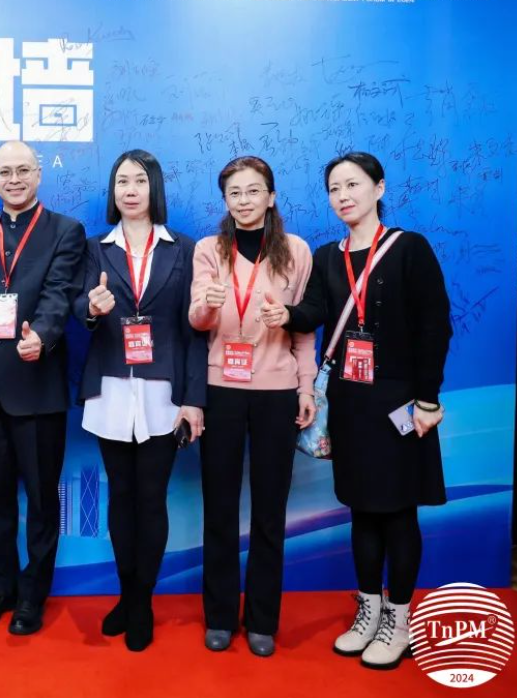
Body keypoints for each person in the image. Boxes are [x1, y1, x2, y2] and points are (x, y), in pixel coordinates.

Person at [260, 151, 451, 670]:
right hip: (349, 403)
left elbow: (435, 326)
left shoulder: (409, 248)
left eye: (353, 185)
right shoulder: (329, 256)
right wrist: (285, 314)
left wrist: (428, 400)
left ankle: (399, 620)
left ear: (378, 188)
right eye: (334, 189)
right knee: (362, 510)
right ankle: (368, 610)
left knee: (398, 512)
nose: (343, 196)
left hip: (400, 405)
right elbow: (315, 312)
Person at [74, 149, 206, 651]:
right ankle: (127, 596)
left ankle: (142, 602)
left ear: (155, 188)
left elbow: (195, 331)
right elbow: (78, 304)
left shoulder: (184, 249)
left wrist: (194, 400)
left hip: (162, 394)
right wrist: (91, 307)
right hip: (110, 389)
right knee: (120, 497)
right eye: (122, 181)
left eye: (139, 180)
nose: (130, 190)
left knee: (151, 499)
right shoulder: (94, 248)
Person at [188, 156, 316, 657]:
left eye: (253, 190)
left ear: (271, 196)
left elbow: (304, 328)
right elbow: (197, 323)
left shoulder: (296, 251)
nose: (243, 201)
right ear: (225, 200)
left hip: (277, 390)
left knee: (270, 508)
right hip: (221, 389)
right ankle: (220, 616)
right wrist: (209, 304)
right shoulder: (208, 249)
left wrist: (305, 388)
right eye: (234, 193)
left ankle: (262, 619)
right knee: (219, 507)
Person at [0, 140, 86, 636]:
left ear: (39, 174)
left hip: (37, 387)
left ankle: (33, 597)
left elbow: (60, 294)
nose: (14, 180)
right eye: (5, 172)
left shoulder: (65, 231)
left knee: (40, 500)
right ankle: (0, 589)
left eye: (23, 170)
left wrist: (45, 336)